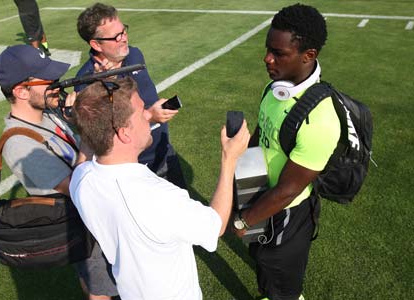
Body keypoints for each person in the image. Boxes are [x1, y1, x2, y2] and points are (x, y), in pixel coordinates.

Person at [70, 77, 250, 300]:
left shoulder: (81, 178)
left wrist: (91, 120)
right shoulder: (157, 197)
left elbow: (85, 155)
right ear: (124, 133)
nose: (149, 115)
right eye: (142, 111)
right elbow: (215, 226)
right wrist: (229, 159)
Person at [232, 4, 341, 300]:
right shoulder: (275, 88)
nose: (267, 59)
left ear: (309, 56)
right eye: (268, 49)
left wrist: (245, 219)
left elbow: (288, 189)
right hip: (259, 193)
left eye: (278, 53)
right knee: (263, 259)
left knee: (282, 278)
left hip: (287, 214)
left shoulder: (320, 120)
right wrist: (239, 183)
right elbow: (261, 134)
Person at [0, 45, 118, 300]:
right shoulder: (19, 143)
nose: (58, 85)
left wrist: (101, 87)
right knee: (101, 289)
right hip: (81, 226)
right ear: (21, 91)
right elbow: (77, 186)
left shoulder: (47, 112)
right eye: (49, 80)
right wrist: (85, 130)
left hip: (98, 216)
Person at [75, 3, 186, 189]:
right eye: (116, 36)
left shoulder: (134, 55)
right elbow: (103, 138)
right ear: (95, 44)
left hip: (164, 152)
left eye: (123, 31)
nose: (124, 38)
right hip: (133, 172)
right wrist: (150, 116)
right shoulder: (86, 84)